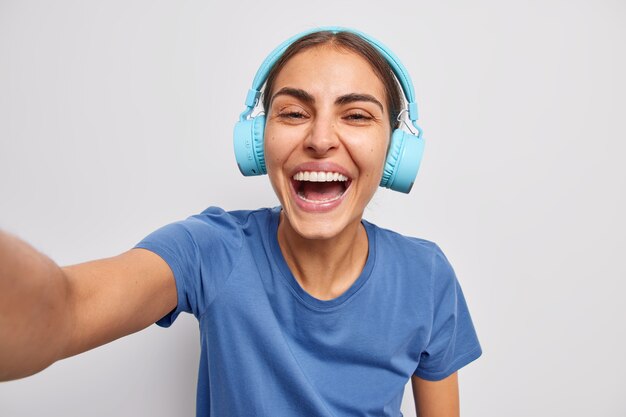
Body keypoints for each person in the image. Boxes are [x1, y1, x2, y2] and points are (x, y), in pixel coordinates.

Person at [0, 27, 481, 416]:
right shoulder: (210, 250)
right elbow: (68, 308)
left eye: (355, 115)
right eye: (293, 112)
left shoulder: (427, 276)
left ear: (396, 151)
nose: (320, 138)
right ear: (258, 141)